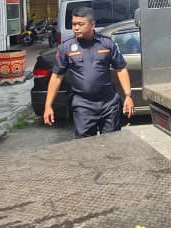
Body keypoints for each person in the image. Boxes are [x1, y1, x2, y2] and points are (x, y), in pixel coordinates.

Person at [43, 7, 135, 138]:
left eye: (80, 24)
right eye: (74, 24)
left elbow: (121, 68)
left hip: (109, 104)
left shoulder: (106, 43)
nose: (76, 28)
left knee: (112, 143)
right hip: (83, 105)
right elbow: (57, 76)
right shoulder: (66, 47)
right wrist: (48, 105)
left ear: (92, 25)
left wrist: (128, 96)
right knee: (85, 146)